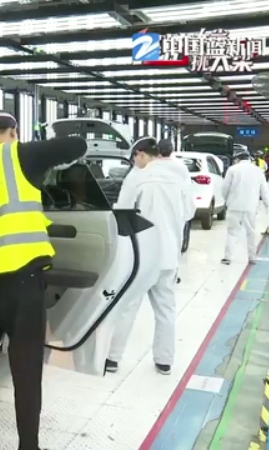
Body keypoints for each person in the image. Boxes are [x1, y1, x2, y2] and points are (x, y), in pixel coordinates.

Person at [0, 110, 87, 450]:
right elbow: (77, 146)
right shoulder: (21, 155)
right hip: (23, 282)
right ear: (13, 131)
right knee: (26, 370)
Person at [105, 140, 194, 376]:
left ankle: (112, 358)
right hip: (169, 255)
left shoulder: (138, 177)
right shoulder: (180, 178)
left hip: (142, 256)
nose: (135, 163)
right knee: (166, 309)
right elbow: (189, 212)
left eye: (135, 158)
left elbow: (122, 212)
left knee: (127, 306)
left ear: (141, 154)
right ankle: (164, 361)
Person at [221, 149, 269, 265]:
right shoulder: (258, 171)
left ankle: (228, 257)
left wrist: (226, 200)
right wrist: (267, 205)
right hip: (251, 206)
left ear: (238, 159)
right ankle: (252, 257)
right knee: (251, 232)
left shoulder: (232, 169)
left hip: (234, 205)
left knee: (232, 232)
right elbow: (264, 190)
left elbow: (225, 188)